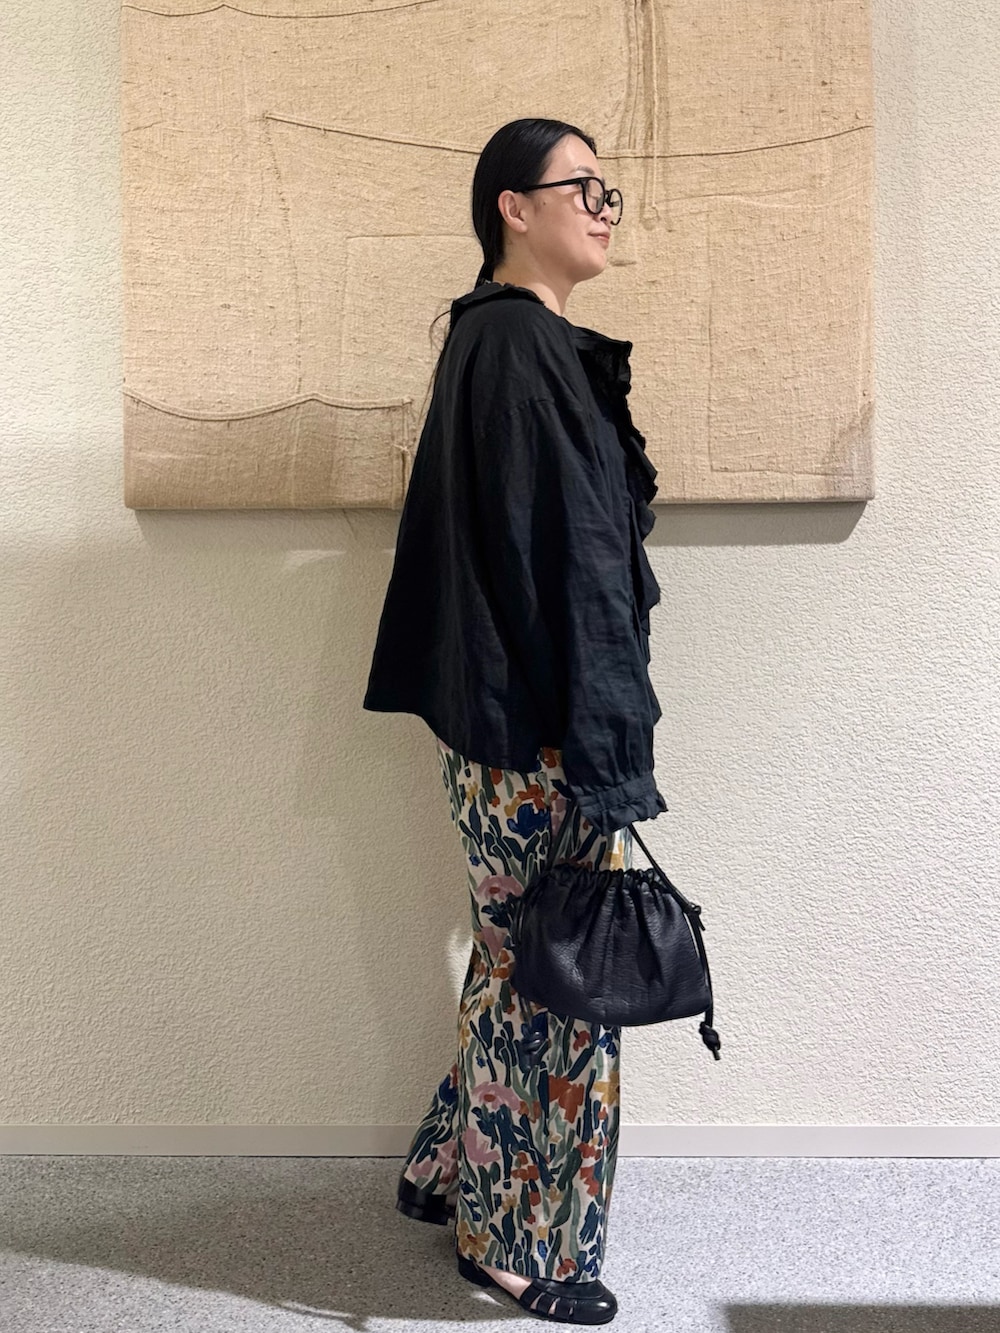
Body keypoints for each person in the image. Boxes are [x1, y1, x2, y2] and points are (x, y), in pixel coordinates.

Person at [362, 117, 666, 1325]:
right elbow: (571, 567)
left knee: (517, 958)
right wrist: (603, 747)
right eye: (582, 186)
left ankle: (447, 1166)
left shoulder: (501, 340)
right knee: (557, 983)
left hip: (514, 725)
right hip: (541, 733)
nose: (604, 206)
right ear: (512, 205)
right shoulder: (516, 345)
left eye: (609, 189)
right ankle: (510, 1244)